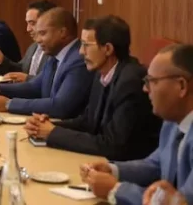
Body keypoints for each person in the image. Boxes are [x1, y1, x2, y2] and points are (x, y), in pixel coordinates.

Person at [24, 15, 161, 160]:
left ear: (107, 49)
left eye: (86, 45)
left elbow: (113, 145)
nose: (81, 51)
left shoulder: (130, 82)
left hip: (125, 166)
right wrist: (49, 125)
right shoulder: (101, 73)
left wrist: (53, 133)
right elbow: (88, 121)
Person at [81, 44, 193, 205]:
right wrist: (112, 170)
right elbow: (155, 165)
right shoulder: (172, 122)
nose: (145, 89)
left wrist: (116, 189)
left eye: (151, 81)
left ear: (181, 85)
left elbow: (184, 202)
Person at [0, 7, 91, 118]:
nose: (38, 40)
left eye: (43, 33)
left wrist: (9, 104)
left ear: (62, 32)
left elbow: (60, 106)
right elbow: (34, 87)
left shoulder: (79, 60)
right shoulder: (55, 56)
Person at [0, 0, 56, 81]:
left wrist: (27, 78)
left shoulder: (55, 49)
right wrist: (2, 61)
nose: (28, 29)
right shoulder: (33, 46)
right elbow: (21, 69)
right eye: (27, 23)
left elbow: (51, 81)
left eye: (32, 23)